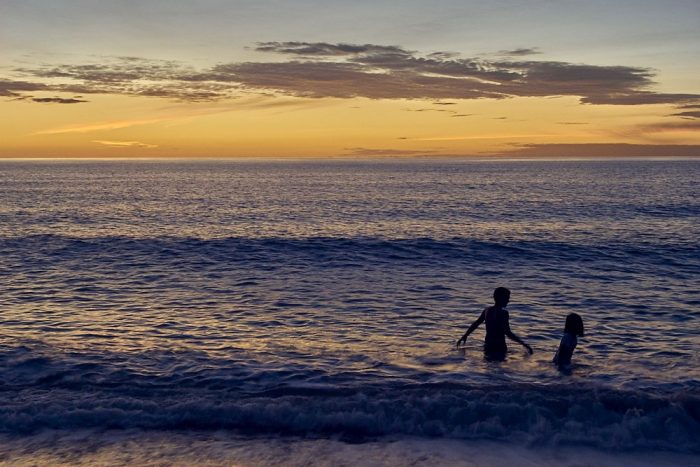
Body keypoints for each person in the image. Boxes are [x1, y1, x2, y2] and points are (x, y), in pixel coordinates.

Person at [456, 287, 533, 360]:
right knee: (500, 370)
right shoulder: (503, 313)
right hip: (499, 347)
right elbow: (508, 332)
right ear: (500, 298)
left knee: (488, 367)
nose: (508, 300)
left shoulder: (487, 310)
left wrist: (465, 335)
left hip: (488, 346)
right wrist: (524, 344)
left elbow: (476, 324)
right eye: (507, 298)